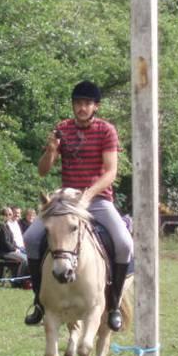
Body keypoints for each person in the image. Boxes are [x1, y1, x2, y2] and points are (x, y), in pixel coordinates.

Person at [23, 80, 133, 331]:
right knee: (30, 238)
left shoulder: (107, 131)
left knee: (125, 243)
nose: (81, 108)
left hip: (97, 199)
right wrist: (50, 152)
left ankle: (113, 305)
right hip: (66, 199)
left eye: (86, 103)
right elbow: (43, 171)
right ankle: (39, 303)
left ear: (96, 106)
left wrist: (88, 195)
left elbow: (111, 172)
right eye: (78, 103)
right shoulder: (62, 129)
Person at [0, 206, 27, 276]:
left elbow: (12, 240)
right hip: (2, 252)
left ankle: (22, 278)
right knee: (24, 259)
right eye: (6, 214)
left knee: (27, 256)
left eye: (10, 214)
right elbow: (4, 243)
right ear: (1, 215)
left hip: (8, 251)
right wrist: (15, 249)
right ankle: (18, 280)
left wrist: (17, 248)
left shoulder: (6, 225)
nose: (8, 216)